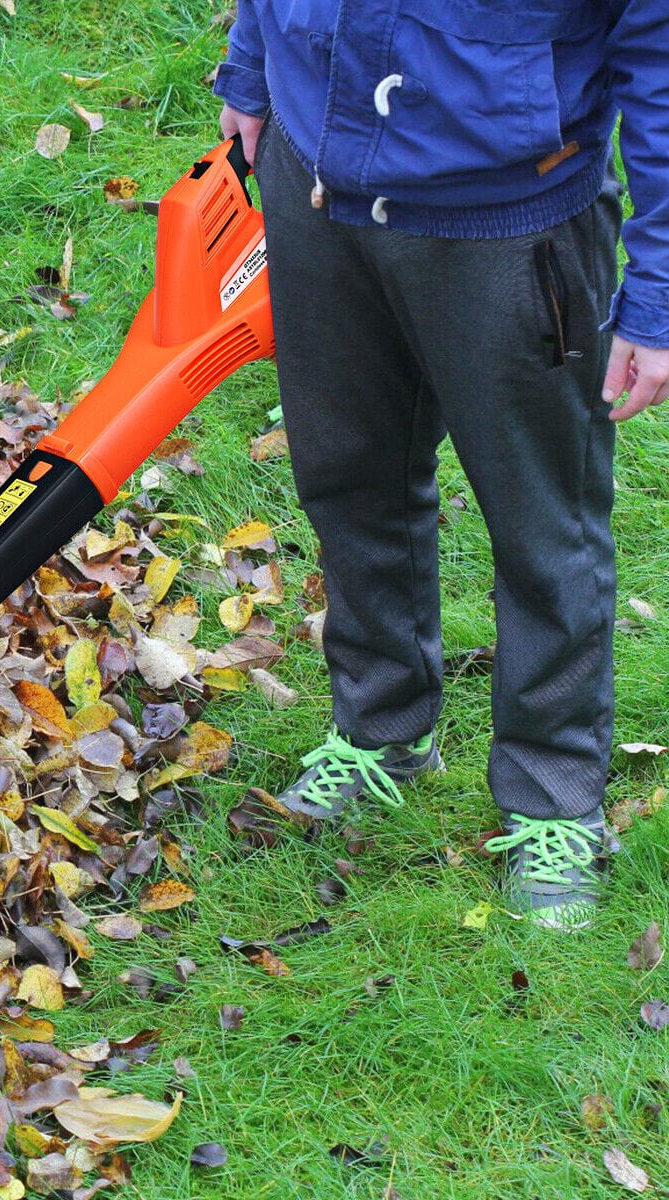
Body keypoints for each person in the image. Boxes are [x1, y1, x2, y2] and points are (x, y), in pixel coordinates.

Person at [214, 0, 669, 929]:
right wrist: (253, 68)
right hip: (317, 187)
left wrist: (658, 296)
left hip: (510, 221)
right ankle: (382, 729)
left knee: (544, 524)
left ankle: (553, 801)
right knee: (349, 479)